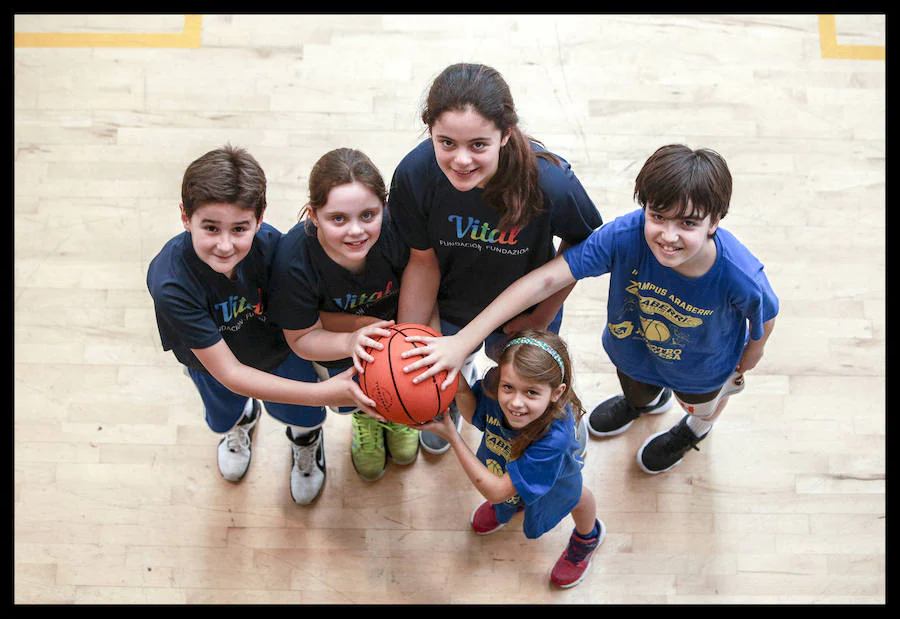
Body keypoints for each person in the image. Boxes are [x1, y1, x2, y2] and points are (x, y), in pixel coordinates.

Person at [403, 144, 779, 474]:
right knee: (637, 391)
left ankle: (694, 431)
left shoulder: (740, 275)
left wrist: (752, 354)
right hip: (633, 351)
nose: (668, 234)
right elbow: (546, 279)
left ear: (715, 221)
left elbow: (767, 314)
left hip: (704, 370)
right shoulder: (624, 236)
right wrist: (467, 338)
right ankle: (640, 404)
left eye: (688, 223)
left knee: (702, 409)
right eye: (658, 216)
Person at [387, 62, 604, 455]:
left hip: (527, 312)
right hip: (453, 307)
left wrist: (540, 315)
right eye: (446, 142)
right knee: (451, 358)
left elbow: (584, 247)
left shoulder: (549, 181)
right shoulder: (414, 176)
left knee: (531, 385)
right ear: (430, 131)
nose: (461, 160)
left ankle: (560, 418)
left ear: (506, 134)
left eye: (479, 145)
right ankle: (452, 390)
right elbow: (422, 260)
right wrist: (415, 348)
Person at [147, 144, 376, 506]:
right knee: (224, 414)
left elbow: (306, 316)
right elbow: (230, 372)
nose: (225, 245)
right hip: (214, 367)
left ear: (260, 218)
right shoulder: (170, 281)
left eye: (240, 228)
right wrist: (325, 392)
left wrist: (362, 329)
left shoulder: (275, 249)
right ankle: (239, 423)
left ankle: (305, 442)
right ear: (185, 217)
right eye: (210, 227)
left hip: (281, 352)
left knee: (301, 415)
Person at [268, 147, 422, 483]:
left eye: (368, 215)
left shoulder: (398, 232)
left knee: (405, 388)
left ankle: (398, 414)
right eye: (338, 219)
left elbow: (425, 283)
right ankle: (365, 419)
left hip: (400, 338)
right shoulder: (293, 260)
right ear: (313, 214)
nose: (356, 231)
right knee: (350, 399)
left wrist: (413, 341)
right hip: (339, 348)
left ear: (384, 206)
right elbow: (302, 339)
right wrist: (352, 339)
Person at [421, 329, 605, 588]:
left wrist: (452, 434)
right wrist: (457, 385)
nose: (516, 402)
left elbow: (496, 491)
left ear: (556, 392)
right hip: (505, 470)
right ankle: (515, 501)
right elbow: (474, 411)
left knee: (576, 497)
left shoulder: (555, 438)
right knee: (511, 492)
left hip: (555, 482)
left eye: (531, 393)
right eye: (509, 387)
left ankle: (588, 538)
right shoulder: (497, 391)